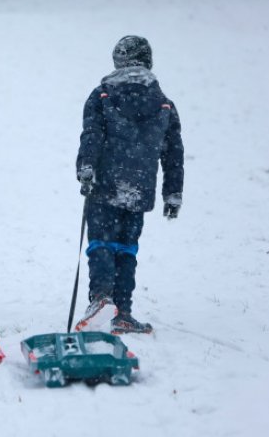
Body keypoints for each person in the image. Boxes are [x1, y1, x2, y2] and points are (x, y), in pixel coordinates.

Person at [74, 35, 184, 334]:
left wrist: (86, 167)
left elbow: (92, 135)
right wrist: (172, 193)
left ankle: (100, 298)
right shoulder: (164, 103)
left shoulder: (102, 96)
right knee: (127, 248)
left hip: (107, 182)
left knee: (101, 243)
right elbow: (173, 152)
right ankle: (122, 312)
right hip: (140, 188)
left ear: (119, 61)